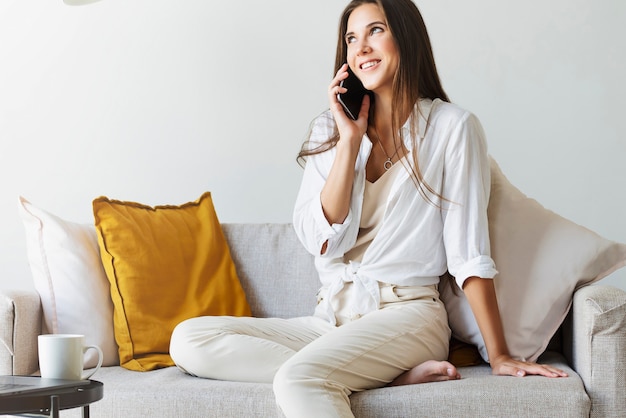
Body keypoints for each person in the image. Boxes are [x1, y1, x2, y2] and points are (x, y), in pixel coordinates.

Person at [170, 1, 567, 416]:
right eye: (351, 38)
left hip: (407, 315)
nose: (361, 48)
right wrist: (349, 142)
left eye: (375, 31)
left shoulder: (453, 128)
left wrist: (499, 355)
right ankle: (383, 376)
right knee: (189, 340)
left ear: (405, 37)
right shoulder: (331, 128)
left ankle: (354, 371)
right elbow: (318, 240)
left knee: (298, 379)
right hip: (332, 319)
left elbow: (468, 255)